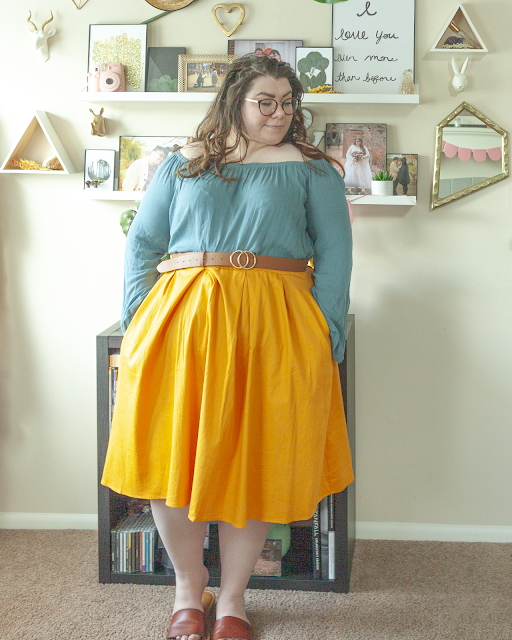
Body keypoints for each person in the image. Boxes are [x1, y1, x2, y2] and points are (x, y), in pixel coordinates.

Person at [101, 54, 353, 640]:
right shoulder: (182, 165)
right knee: (171, 457)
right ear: (234, 101)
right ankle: (188, 593)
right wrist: (138, 320)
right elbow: (142, 244)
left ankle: (234, 600)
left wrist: (326, 334)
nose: (280, 113)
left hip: (278, 326)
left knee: (259, 458)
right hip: (184, 322)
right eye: (265, 101)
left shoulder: (314, 171)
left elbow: (336, 261)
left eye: (288, 102)